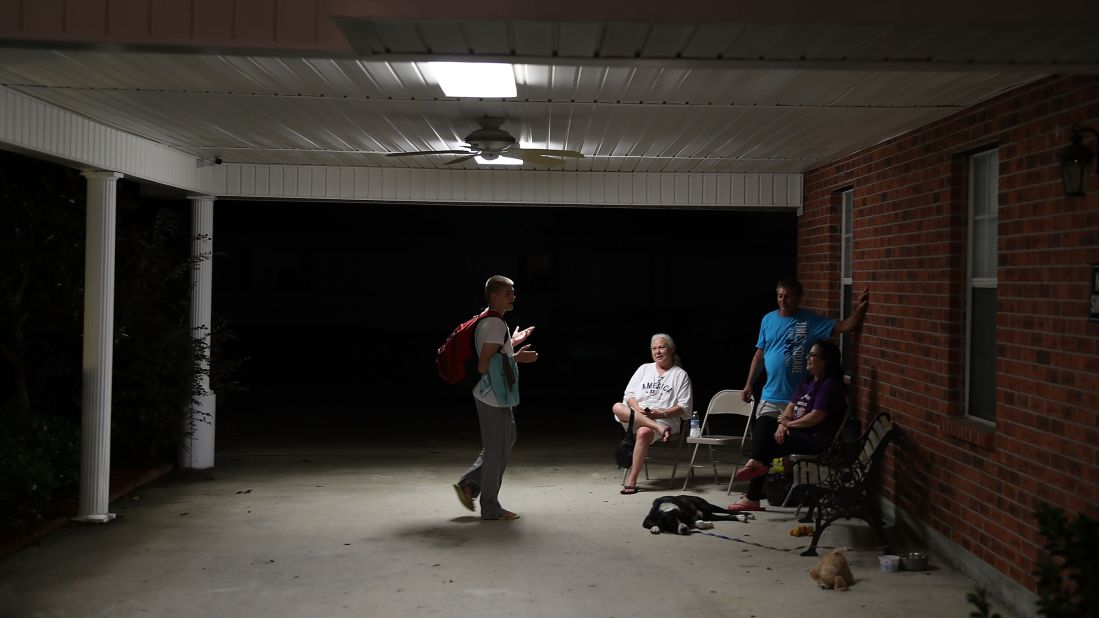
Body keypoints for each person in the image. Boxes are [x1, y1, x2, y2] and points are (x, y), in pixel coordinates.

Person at [453, 275, 538, 520]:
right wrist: (517, 358)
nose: (513, 297)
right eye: (508, 293)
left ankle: (469, 484)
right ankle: (490, 507)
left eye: (513, 292)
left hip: (495, 395)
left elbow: (494, 352)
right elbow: (483, 365)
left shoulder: (493, 322)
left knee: (506, 440)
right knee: (496, 451)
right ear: (494, 296)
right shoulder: (495, 324)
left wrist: (513, 342)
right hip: (492, 396)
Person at [728, 340, 847, 511]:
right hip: (797, 434)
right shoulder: (807, 382)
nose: (808, 358)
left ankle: (753, 489)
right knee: (765, 421)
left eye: (813, 355)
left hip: (812, 440)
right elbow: (791, 406)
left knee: (766, 446)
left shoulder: (829, 385)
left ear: (825, 361)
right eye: (809, 354)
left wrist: (789, 424)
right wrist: (783, 424)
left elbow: (816, 417)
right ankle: (756, 470)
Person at [741, 277, 868, 418]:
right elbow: (759, 355)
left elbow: (846, 326)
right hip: (770, 397)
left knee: (787, 438)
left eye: (788, 297)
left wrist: (860, 308)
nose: (782, 301)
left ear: (798, 298)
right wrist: (749, 384)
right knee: (762, 438)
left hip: (797, 398)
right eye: (780, 296)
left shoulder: (810, 321)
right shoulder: (768, 320)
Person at [611, 334, 693, 495]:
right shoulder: (644, 369)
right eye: (654, 348)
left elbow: (684, 407)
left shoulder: (680, 375)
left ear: (671, 349)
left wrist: (660, 414)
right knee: (617, 407)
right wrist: (638, 409)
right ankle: (657, 427)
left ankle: (632, 480)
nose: (657, 352)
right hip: (640, 417)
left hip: (665, 420)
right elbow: (629, 395)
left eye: (661, 347)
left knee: (644, 432)